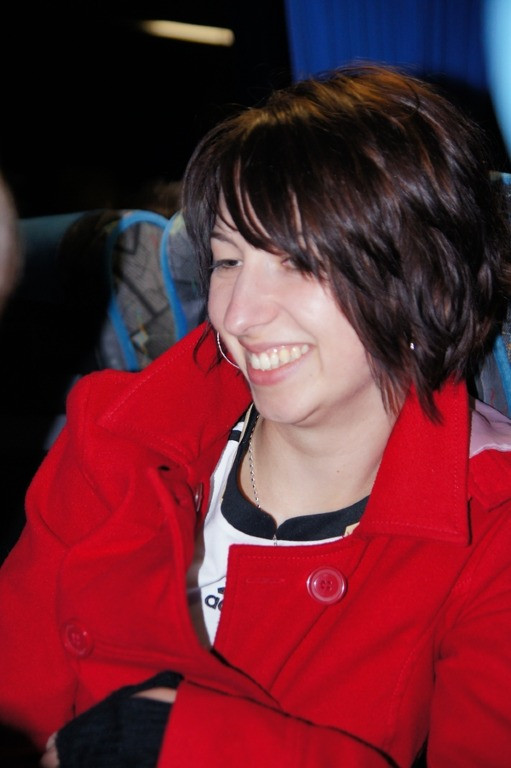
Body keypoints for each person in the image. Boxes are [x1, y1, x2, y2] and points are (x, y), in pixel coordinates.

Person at [0, 65, 510, 768]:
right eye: (227, 261)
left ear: (424, 278)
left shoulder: (491, 519)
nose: (238, 315)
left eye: (296, 262)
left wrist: (172, 741)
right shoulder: (115, 434)